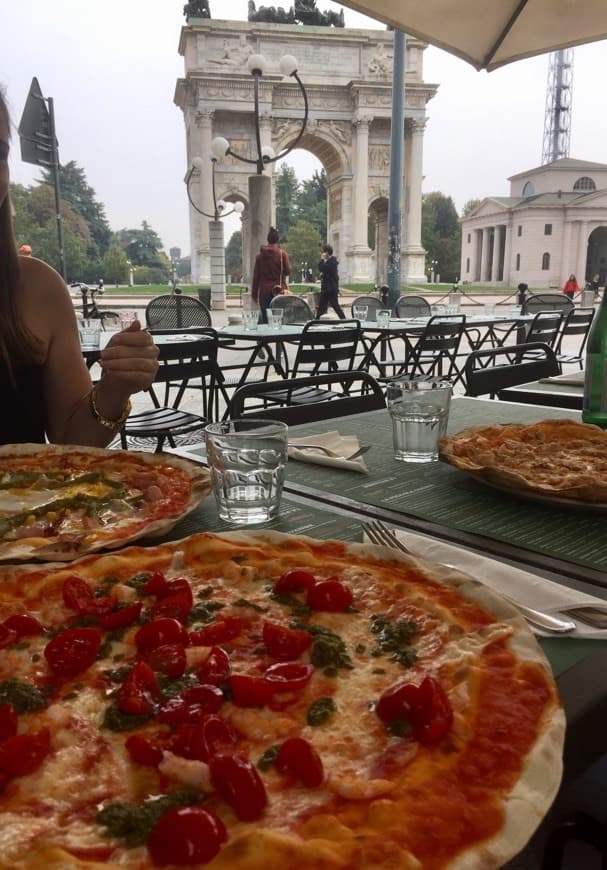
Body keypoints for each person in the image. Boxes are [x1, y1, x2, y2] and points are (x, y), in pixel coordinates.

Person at [0, 89, 159, 446]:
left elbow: (71, 444)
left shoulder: (37, 288)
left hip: (25, 501)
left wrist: (115, 387)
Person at [251, 227, 290, 324]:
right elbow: (288, 271)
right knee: (279, 320)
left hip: (264, 292)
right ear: (278, 240)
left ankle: (265, 338)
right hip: (279, 291)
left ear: (268, 240)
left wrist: (254, 294)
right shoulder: (282, 254)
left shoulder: (259, 257)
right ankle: (279, 339)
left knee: (266, 320)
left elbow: (256, 277)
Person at [316, 244, 345, 319]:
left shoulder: (332, 262)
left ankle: (344, 319)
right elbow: (324, 269)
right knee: (322, 306)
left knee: (335, 306)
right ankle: (316, 321)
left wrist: (322, 260)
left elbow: (321, 268)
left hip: (331, 289)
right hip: (326, 288)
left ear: (327, 253)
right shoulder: (329, 262)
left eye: (323, 252)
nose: (322, 254)